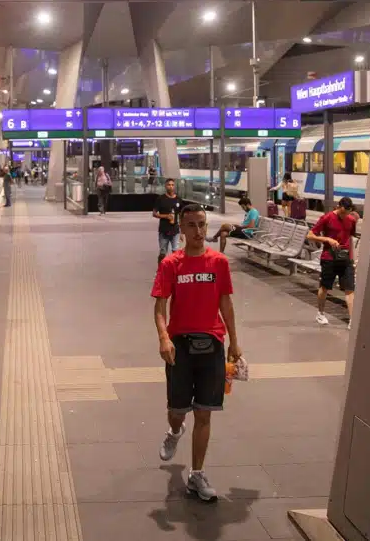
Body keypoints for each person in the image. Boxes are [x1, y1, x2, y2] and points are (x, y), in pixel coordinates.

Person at [152, 204, 242, 501]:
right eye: (191, 225)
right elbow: (160, 306)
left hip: (212, 344)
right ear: (181, 228)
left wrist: (234, 342)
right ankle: (174, 431)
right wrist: (164, 338)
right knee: (178, 410)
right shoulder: (171, 264)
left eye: (202, 224)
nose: (198, 231)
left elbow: (226, 303)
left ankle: (196, 474)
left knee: (205, 412)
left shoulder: (219, 262)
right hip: (180, 347)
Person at [308, 197, 359, 328]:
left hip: (345, 259)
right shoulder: (327, 218)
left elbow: (350, 238)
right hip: (329, 258)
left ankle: (352, 320)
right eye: (342, 212)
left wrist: (352, 258)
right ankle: (320, 312)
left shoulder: (351, 220)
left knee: (349, 289)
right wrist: (327, 239)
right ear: (338, 207)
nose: (344, 215)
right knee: (325, 287)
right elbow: (310, 235)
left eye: (347, 213)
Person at [153, 178, 184, 265]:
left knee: (176, 252)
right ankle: (160, 270)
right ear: (165, 186)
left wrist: (182, 232)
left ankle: (176, 270)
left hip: (175, 230)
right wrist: (166, 216)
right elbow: (154, 213)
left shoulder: (179, 200)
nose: (171, 187)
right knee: (163, 253)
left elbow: (182, 216)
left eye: (172, 185)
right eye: (169, 185)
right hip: (164, 230)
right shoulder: (161, 199)